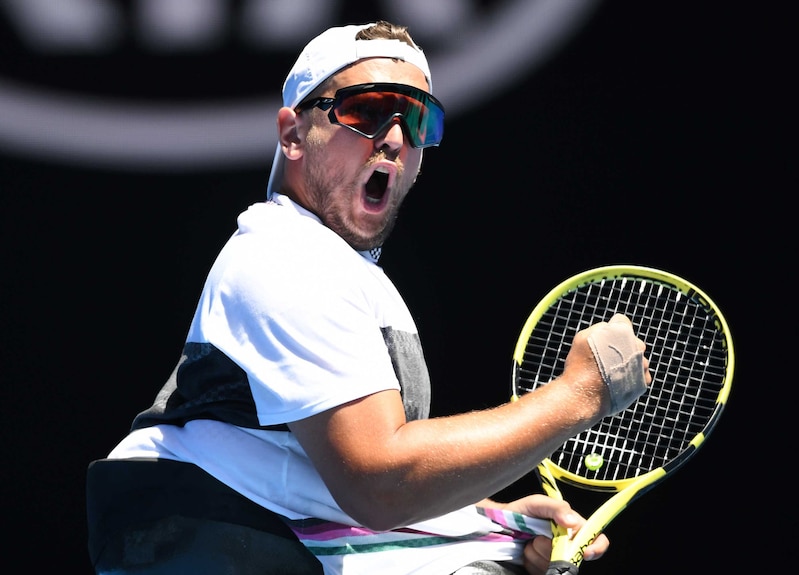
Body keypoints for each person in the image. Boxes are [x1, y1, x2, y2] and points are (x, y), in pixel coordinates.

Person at [86, 20, 652, 575]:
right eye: (367, 110)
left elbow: (303, 478)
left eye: (418, 119)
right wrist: (581, 394)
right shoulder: (284, 255)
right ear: (293, 133)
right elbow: (379, 482)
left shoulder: (341, 271)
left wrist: (478, 517)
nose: (396, 138)